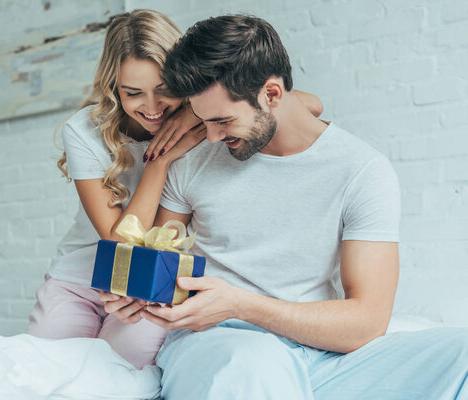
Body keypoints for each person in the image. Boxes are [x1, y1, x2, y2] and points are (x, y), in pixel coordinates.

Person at [121, 14, 468, 399]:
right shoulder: (194, 160)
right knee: (255, 366)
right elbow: (163, 267)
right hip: (222, 346)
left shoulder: (362, 171)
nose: (212, 136)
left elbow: (367, 321)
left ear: (271, 94)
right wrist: (133, 294)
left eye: (222, 121)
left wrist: (243, 304)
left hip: (322, 352)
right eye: (202, 121)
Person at [27, 9, 323, 370]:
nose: (152, 108)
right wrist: (160, 161)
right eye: (133, 93)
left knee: (122, 371)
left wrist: (193, 113)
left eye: (164, 90)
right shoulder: (85, 131)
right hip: (81, 278)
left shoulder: (206, 119)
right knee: (45, 369)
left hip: (154, 280)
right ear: (113, 88)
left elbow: (308, 104)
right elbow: (121, 244)